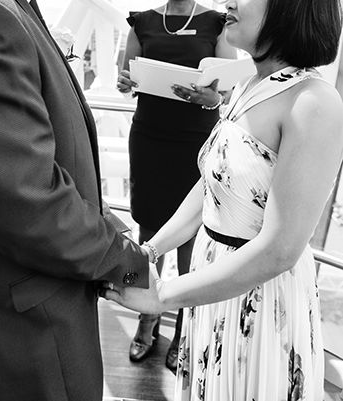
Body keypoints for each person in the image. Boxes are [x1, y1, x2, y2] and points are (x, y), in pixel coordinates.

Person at [105, 0, 343, 399]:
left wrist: (162, 295)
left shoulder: (314, 102)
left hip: (257, 298)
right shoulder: (250, 85)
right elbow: (211, 185)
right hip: (212, 284)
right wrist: (151, 250)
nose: (229, 1)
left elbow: (280, 251)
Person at [0, 1, 150, 401]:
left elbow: (62, 162)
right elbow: (29, 203)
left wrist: (118, 238)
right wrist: (130, 267)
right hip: (22, 333)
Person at [116, 0, 236, 371]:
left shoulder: (217, 24)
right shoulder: (142, 22)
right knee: (148, 228)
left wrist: (213, 99)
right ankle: (147, 317)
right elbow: (126, 79)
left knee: (191, 238)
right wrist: (125, 83)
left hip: (196, 142)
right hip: (150, 138)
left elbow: (228, 92)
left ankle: (185, 325)